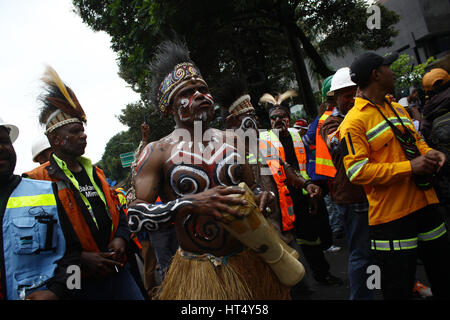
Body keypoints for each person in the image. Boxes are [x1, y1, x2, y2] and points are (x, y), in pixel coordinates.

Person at [127, 39, 295, 300]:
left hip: (250, 261)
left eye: (203, 89)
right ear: (169, 107)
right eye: (186, 92)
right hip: (198, 272)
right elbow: (135, 216)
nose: (199, 96)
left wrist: (265, 196)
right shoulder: (157, 152)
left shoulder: (234, 139)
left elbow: (254, 188)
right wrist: (190, 203)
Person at [23, 66, 143, 300]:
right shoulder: (37, 180)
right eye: (75, 131)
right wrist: (81, 258)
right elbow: (35, 239)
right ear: (56, 139)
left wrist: (120, 237)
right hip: (76, 276)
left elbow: (119, 211)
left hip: (116, 270)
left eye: (83, 130)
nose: (84, 135)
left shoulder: (96, 174)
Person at [338, 51, 450, 299]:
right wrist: (411, 167)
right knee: (397, 289)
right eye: (388, 67)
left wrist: (431, 154)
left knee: (444, 274)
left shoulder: (398, 108)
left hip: (426, 205)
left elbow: (416, 141)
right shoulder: (353, 123)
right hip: (392, 219)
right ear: (376, 74)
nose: (394, 71)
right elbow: (357, 171)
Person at [259, 90, 343, 287]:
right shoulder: (264, 140)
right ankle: (302, 281)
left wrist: (312, 190)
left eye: (283, 117)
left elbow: (308, 163)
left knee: (315, 236)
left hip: (306, 193)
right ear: (269, 120)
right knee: (291, 241)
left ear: (289, 118)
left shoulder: (299, 136)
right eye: (274, 117)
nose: (279, 120)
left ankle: (318, 273)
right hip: (281, 199)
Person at [0, 116, 81, 300]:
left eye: (4, 141)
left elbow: (74, 255)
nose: (0, 148)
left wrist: (60, 292)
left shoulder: (46, 193)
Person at [319, 67, 373, 300]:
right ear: (335, 98)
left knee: (384, 249)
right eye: (346, 95)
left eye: (355, 93)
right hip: (353, 197)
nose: (351, 99)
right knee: (361, 253)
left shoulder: (369, 113)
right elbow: (338, 144)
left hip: (377, 191)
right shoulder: (330, 124)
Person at [302, 75, 343, 241]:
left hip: (326, 173)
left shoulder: (321, 120)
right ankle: (336, 229)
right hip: (325, 175)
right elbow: (305, 142)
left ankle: (337, 228)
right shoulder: (324, 120)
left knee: (333, 204)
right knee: (332, 204)